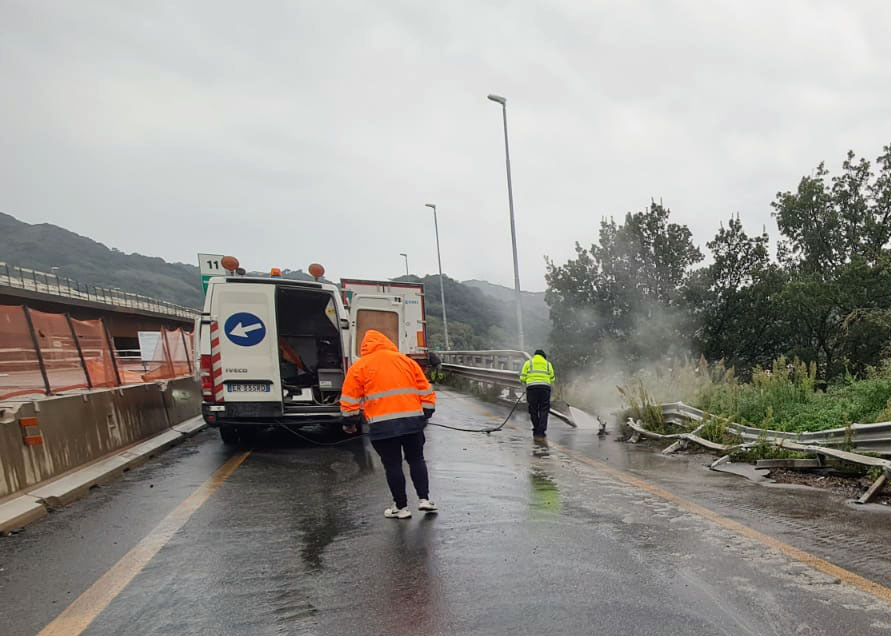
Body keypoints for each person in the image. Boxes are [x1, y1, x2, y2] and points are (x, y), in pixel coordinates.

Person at [340, 329, 438, 519]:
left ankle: (401, 508)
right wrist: (425, 414)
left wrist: (350, 423)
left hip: (382, 425)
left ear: (365, 347)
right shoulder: (406, 361)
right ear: (387, 342)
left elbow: (349, 399)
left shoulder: (360, 366)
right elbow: (425, 390)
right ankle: (424, 499)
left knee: (392, 465)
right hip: (412, 422)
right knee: (416, 459)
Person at [520, 349, 555, 441]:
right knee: (544, 409)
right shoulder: (548, 364)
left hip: (532, 388)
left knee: (533, 409)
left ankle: (536, 429)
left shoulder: (528, 363)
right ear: (544, 356)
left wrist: (526, 383)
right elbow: (552, 378)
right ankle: (541, 431)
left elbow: (522, 377)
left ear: (535, 355)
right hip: (545, 388)